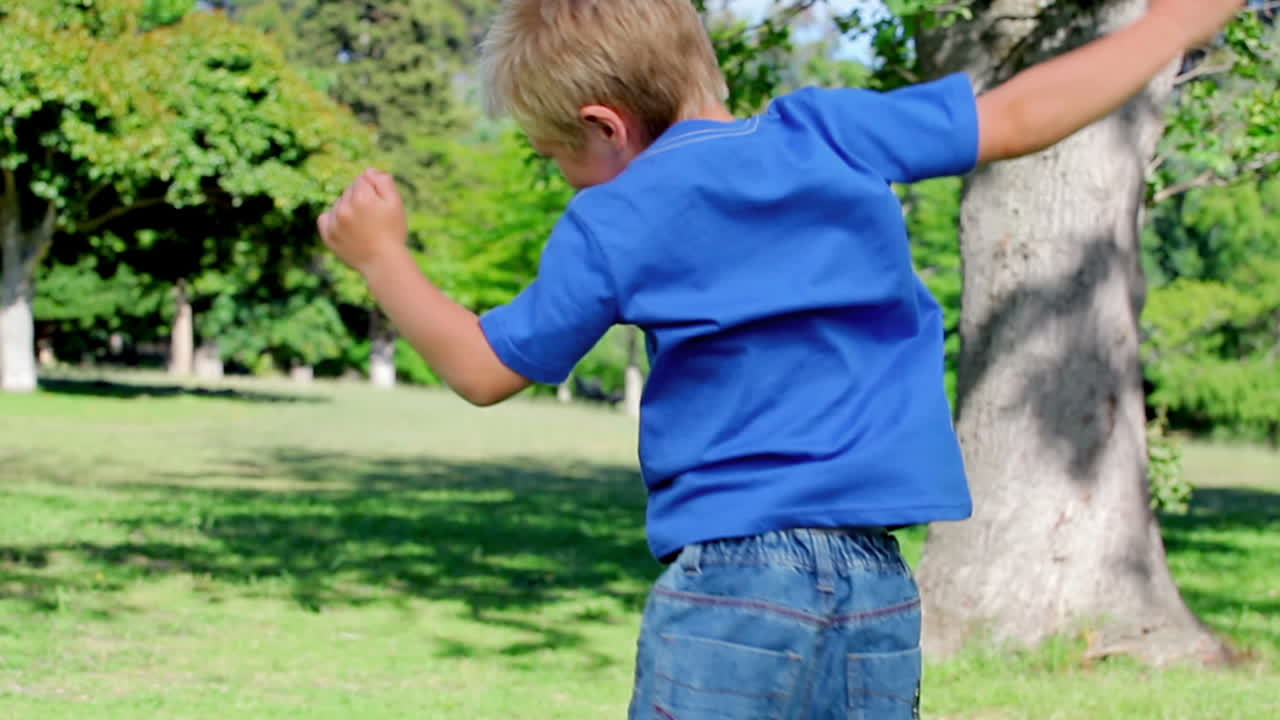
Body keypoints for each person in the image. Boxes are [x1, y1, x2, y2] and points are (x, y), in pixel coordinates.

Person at [317, 1, 1245, 717]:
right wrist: (1170, 22)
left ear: (606, 128)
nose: (564, 174)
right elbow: (1017, 116)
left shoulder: (615, 215)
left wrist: (384, 260)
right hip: (881, 583)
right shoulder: (828, 133)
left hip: (733, 583)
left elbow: (484, 369)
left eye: (555, 154)